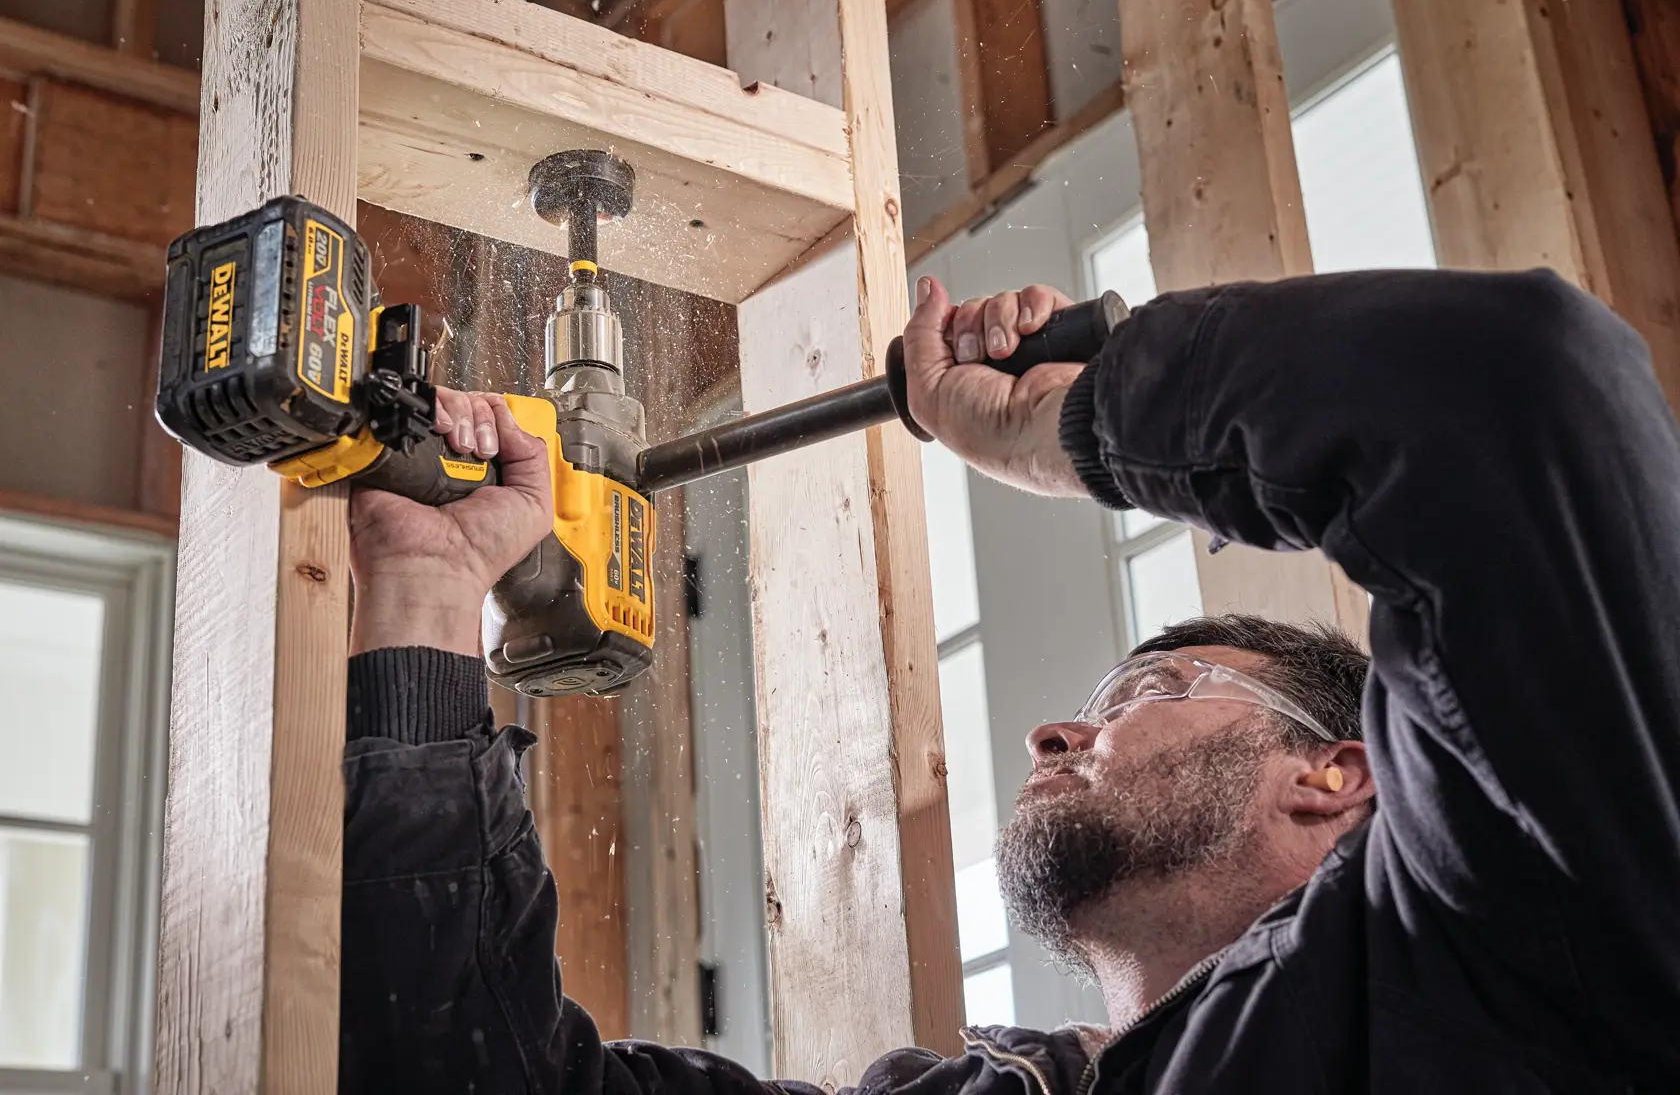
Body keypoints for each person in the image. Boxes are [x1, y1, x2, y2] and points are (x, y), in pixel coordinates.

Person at [339, 268, 1680, 1093]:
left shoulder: (1494, 961)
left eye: (1153, 690)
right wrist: (426, 589)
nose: (1056, 728)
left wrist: (1083, 424)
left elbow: (1519, 392)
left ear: (1339, 775)